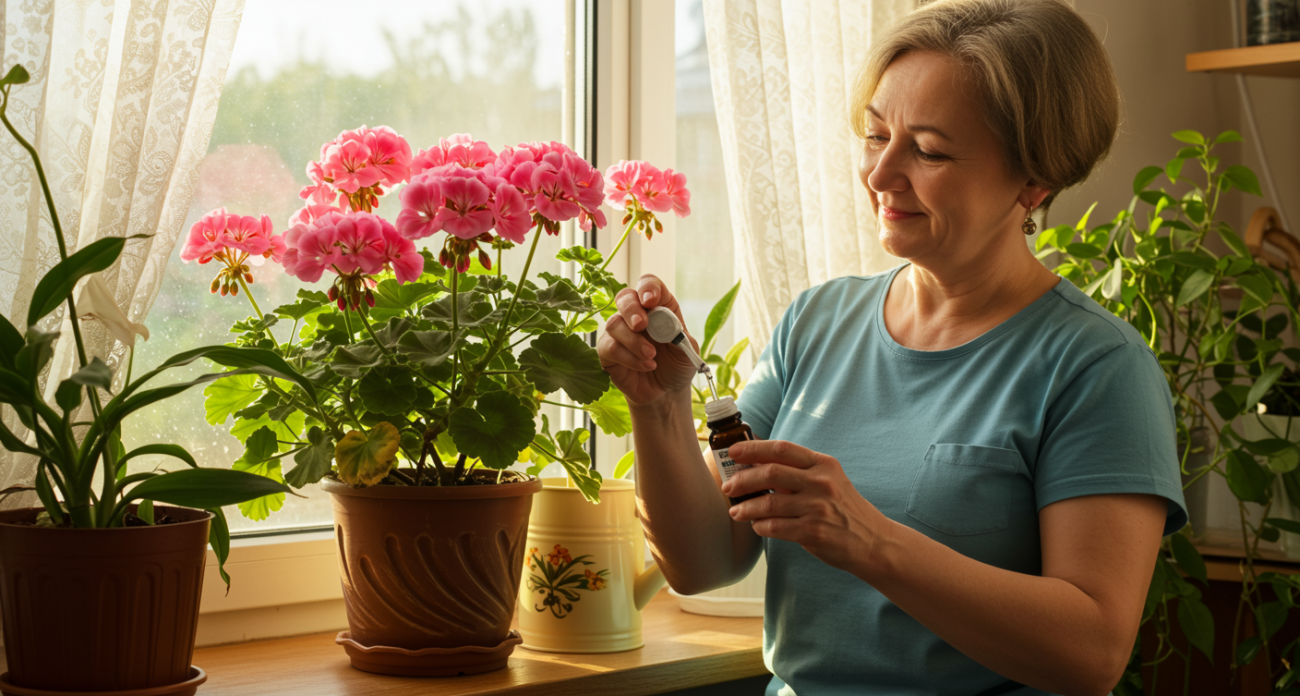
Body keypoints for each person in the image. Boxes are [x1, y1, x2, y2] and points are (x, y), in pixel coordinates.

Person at [597, 0, 1188, 695]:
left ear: (1034, 182)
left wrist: (870, 540)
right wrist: (659, 405)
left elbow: (1092, 655)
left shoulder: (1097, 367)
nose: (880, 175)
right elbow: (704, 563)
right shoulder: (816, 323)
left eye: (929, 151)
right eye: (876, 135)